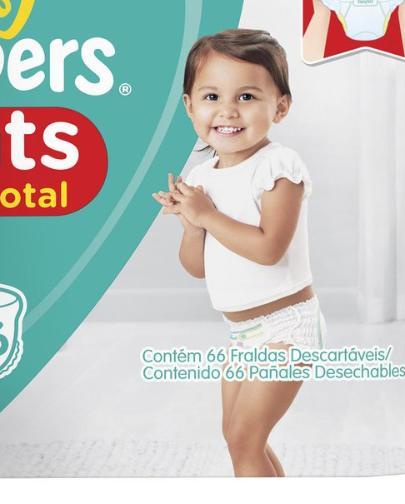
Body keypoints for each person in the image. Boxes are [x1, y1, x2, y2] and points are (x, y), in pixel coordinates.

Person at [153, 28, 323, 477]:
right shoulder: (202, 178)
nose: (227, 110)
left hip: (287, 326)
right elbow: (196, 268)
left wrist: (207, 215)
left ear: (280, 107)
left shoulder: (278, 167)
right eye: (211, 96)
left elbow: (269, 249)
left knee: (247, 439)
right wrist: (193, 226)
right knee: (239, 439)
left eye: (246, 97)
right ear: (190, 106)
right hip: (242, 333)